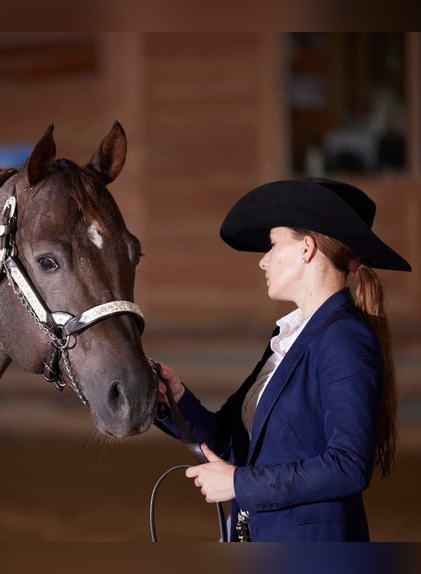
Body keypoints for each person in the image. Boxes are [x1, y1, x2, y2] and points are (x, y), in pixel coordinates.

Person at [154, 178, 412, 542]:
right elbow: (233, 442)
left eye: (273, 245)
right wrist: (175, 400)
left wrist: (238, 482)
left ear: (307, 249)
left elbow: (348, 466)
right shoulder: (289, 339)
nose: (263, 261)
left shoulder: (344, 338)